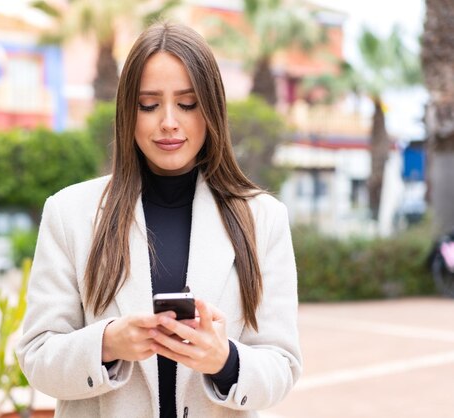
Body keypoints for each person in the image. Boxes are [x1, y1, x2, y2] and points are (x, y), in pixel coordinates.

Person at [16, 21, 302, 418]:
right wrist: (107, 344)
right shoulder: (70, 213)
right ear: (127, 112)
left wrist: (225, 361)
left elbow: (282, 363)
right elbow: (37, 356)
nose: (169, 121)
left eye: (187, 104)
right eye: (149, 105)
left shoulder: (262, 218)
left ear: (212, 109)